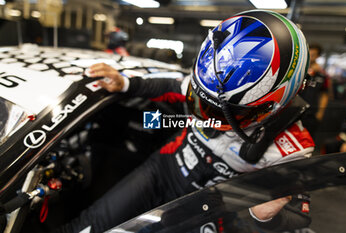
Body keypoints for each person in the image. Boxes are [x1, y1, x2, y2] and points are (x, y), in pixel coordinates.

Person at [55, 10, 314, 233]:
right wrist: (126, 83)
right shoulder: (211, 79)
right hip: (163, 168)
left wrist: (266, 217)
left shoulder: (294, 148)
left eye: (230, 112)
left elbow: (300, 217)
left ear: (277, 103)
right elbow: (169, 85)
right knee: (89, 226)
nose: (209, 116)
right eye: (203, 100)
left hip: (212, 205)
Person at [300, 43, 330, 138]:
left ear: (318, 56)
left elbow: (324, 94)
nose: (311, 56)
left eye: (313, 55)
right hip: (295, 109)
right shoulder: (300, 70)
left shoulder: (322, 75)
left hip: (312, 112)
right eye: (309, 53)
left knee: (308, 137)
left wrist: (320, 112)